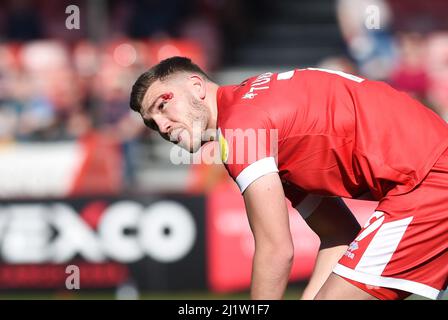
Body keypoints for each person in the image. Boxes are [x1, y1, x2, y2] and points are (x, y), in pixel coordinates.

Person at [129, 56, 448, 300]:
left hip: (428, 183)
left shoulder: (241, 128)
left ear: (197, 87)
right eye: (152, 123)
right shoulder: (260, 117)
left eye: (162, 105)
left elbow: (276, 250)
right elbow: (338, 233)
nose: (162, 126)